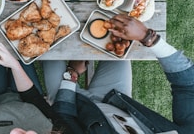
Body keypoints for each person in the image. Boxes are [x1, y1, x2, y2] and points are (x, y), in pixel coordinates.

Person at [43, 14, 194, 133]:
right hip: (114, 99)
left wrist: (72, 73)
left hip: (71, 105)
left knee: (46, 45)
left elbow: (64, 116)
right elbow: (188, 85)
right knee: (117, 35)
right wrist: (147, 37)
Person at [0, 43, 73, 134]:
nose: (15, 132)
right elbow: (34, 98)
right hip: (27, 97)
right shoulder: (61, 131)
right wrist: (15, 65)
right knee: (22, 49)